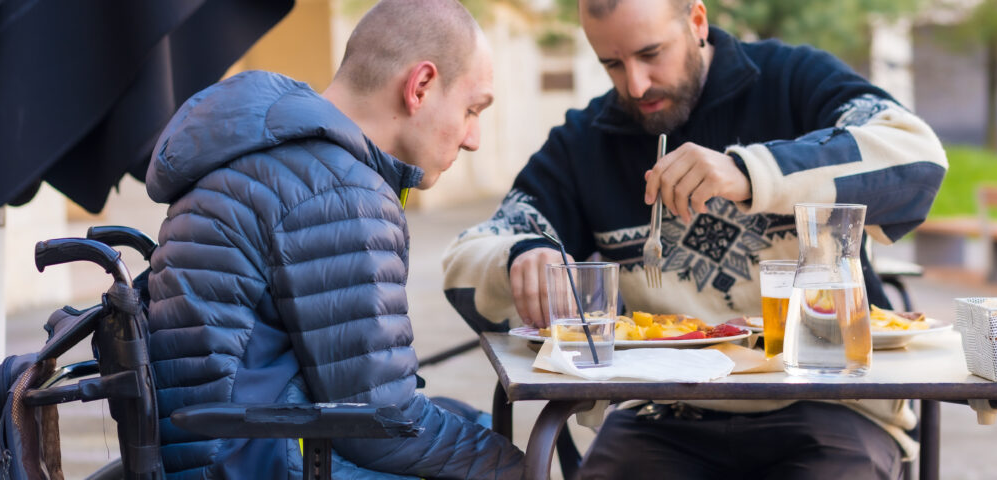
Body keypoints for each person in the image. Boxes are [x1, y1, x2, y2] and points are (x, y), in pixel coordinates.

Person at [442, 0, 947, 478]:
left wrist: (751, 173)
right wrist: (520, 254)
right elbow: (471, 253)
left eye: (650, 54)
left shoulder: (792, 79)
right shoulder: (584, 143)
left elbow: (918, 156)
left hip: (829, 401)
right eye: (612, 63)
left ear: (697, 20)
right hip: (664, 409)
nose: (635, 85)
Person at [144, 0, 524, 478]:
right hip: (264, 459)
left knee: (474, 423)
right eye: (471, 109)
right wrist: (514, 466)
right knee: (504, 457)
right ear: (421, 86)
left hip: (223, 447)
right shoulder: (339, 190)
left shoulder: (271, 154)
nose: (474, 138)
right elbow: (380, 426)